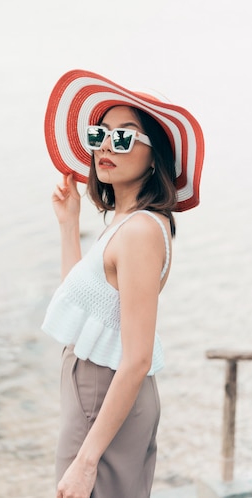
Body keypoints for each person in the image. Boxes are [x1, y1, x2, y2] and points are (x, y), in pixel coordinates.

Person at [41, 70, 205, 498]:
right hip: (100, 396)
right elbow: (82, 309)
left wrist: (86, 460)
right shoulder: (128, 223)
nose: (105, 147)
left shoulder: (138, 233)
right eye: (100, 134)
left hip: (104, 398)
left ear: (154, 159)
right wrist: (69, 225)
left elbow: (136, 358)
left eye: (125, 137)